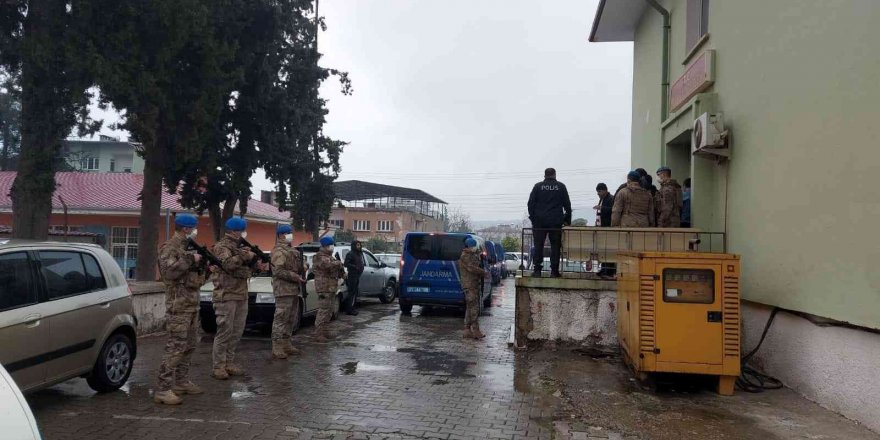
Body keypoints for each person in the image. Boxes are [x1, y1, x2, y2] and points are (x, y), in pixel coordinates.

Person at [153, 214, 210, 405]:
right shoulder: (170, 248)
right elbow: (168, 273)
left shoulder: (187, 248)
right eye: (194, 228)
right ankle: (162, 389)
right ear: (186, 229)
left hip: (192, 305)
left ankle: (182, 382)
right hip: (178, 307)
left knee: (190, 345)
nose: (195, 231)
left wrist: (204, 267)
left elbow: (195, 280)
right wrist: (189, 259)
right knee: (175, 348)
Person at [211, 216, 264, 380]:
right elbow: (227, 264)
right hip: (226, 295)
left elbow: (248, 268)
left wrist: (256, 262)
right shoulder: (222, 247)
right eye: (241, 230)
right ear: (234, 231)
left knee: (237, 331)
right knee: (224, 331)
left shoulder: (240, 247)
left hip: (240, 293)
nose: (243, 234)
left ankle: (229, 362)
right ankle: (218, 366)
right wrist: (244, 256)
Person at [527, 167, 572, 277]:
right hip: (555, 222)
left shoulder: (538, 186)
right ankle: (554, 271)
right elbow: (567, 205)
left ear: (545, 175)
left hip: (539, 222)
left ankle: (537, 270)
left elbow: (530, 204)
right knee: (555, 246)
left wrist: (533, 218)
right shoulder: (561, 187)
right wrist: (566, 220)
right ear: (555, 175)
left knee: (538, 246)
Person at [270, 225, 306, 360]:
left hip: (293, 289)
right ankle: (277, 346)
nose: (291, 235)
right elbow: (278, 271)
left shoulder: (291, 250)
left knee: (291, 318)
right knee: (281, 318)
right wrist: (294, 276)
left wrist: (303, 267)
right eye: (288, 233)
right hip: (283, 290)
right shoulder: (279, 251)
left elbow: (295, 266)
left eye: (291, 233)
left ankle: (286, 343)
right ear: (281, 235)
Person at [312, 236, 345, 342]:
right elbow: (328, 266)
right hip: (324, 288)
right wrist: (339, 263)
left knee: (329, 311)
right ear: (325, 246)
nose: (332, 247)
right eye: (330, 245)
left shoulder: (331, 257)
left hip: (331, 287)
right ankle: (318, 334)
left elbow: (336, 269)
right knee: (323, 311)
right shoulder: (319, 256)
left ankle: (325, 331)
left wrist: (342, 273)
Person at [458, 237, 489, 340]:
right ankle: (475, 330)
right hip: (469, 285)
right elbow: (471, 268)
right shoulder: (465, 256)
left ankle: (467, 329)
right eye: (474, 246)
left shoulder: (472, 255)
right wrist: (483, 272)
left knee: (470, 307)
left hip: (473, 285)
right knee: (474, 307)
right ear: (469, 246)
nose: (475, 248)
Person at [343, 240, 365, 316]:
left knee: (355, 292)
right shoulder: (350, 254)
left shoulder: (359, 254)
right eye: (357, 245)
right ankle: (349, 309)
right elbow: (346, 264)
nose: (359, 246)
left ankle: (352, 308)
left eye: (359, 245)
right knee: (352, 292)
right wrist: (355, 267)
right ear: (354, 246)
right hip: (352, 275)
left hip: (357, 275)